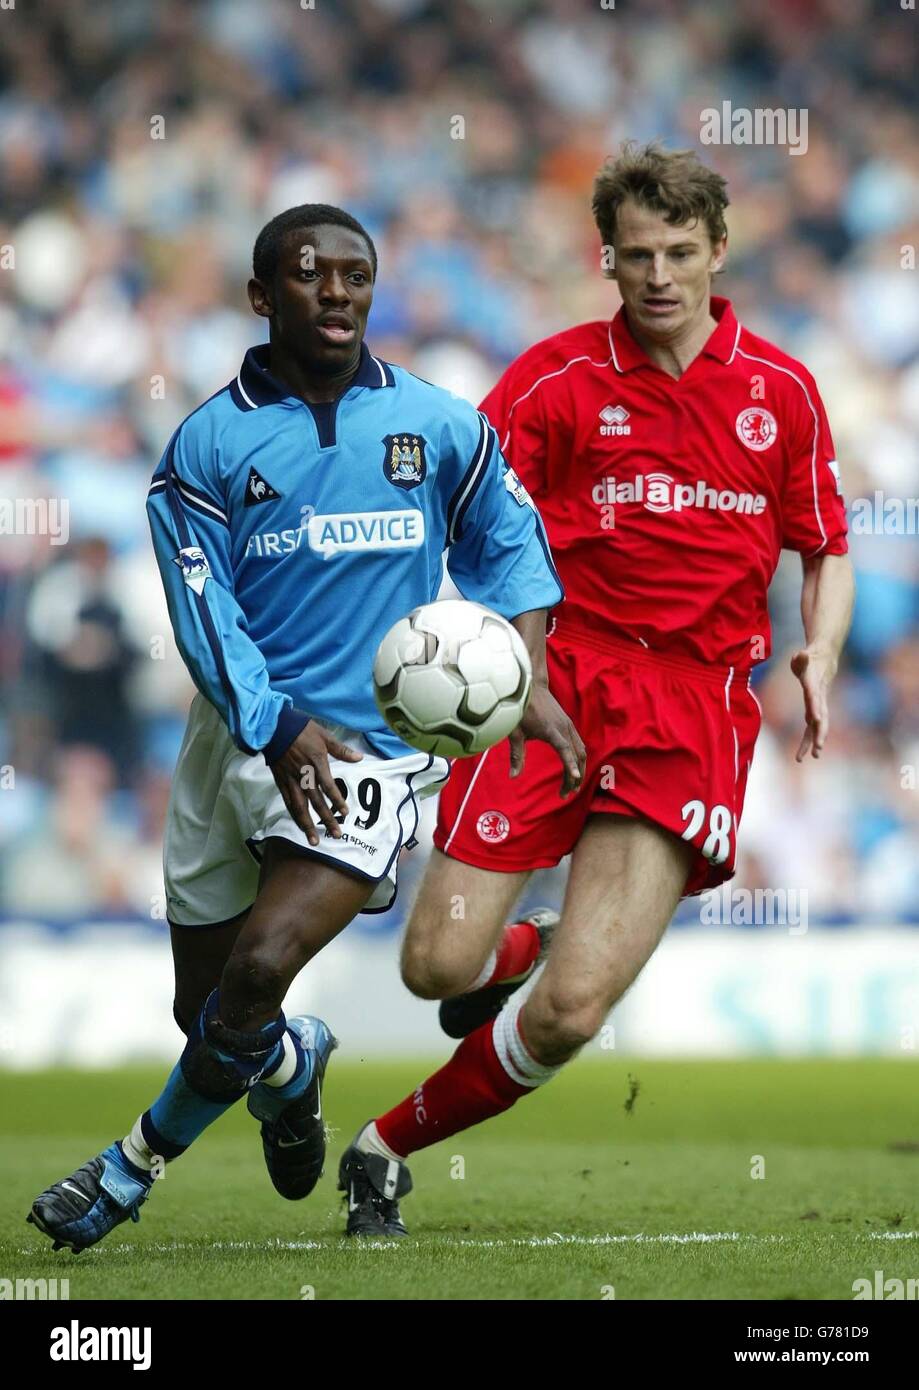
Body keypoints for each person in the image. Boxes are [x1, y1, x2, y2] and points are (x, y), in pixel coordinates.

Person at [27, 203, 583, 1254]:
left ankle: (125, 1170)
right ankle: (295, 1065)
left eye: (356, 275)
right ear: (259, 295)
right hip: (238, 742)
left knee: (257, 969)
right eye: (310, 273)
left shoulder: (438, 424)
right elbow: (203, 609)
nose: (337, 292)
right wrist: (272, 725)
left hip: (373, 753)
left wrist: (527, 673)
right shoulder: (208, 442)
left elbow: (511, 541)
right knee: (214, 1016)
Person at [338, 144, 855, 1238]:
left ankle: (381, 1147)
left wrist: (821, 650)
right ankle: (511, 950)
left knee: (572, 1009)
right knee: (437, 967)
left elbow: (826, 546)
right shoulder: (555, 379)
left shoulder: (783, 392)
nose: (659, 275)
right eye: (635, 256)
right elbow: (459, 490)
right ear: (605, 260)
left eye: (679, 251)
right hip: (553, 680)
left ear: (718, 249)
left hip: (693, 702)